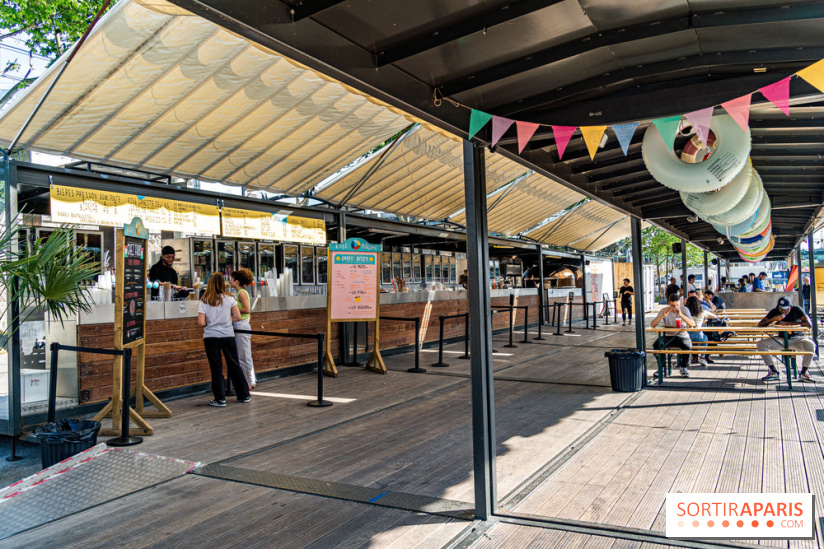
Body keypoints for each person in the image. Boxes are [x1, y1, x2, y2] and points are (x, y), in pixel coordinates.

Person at [198, 273, 251, 406]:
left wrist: (211, 322)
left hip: (211, 337)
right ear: (223, 284)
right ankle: (244, 395)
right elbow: (238, 317)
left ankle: (220, 399)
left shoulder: (204, 300)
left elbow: (201, 322)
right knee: (234, 364)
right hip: (227, 335)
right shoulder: (230, 298)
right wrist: (226, 320)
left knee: (216, 368)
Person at [756, 296, 816, 383]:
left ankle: (804, 372)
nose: (782, 311)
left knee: (811, 345)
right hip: (781, 339)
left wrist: (786, 323)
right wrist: (773, 319)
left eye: (785, 308)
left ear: (790, 306)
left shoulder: (796, 309)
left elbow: (808, 324)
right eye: (780, 308)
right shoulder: (775, 311)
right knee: (761, 344)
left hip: (798, 338)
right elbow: (760, 325)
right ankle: (773, 371)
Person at [650, 293, 695, 378]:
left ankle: (683, 367)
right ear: (669, 303)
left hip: (682, 335)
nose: (675, 307)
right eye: (673, 305)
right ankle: (662, 368)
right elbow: (653, 324)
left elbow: (692, 323)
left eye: (677, 305)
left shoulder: (684, 309)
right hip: (667, 335)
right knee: (657, 345)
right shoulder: (664, 310)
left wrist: (681, 314)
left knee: (688, 345)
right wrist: (663, 316)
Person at [231, 268, 256, 390]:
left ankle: (248, 383)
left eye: (231, 279)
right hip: (242, 325)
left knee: (243, 355)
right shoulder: (240, 292)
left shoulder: (241, 293)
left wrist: (232, 309)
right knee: (245, 354)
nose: (230, 281)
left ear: (236, 281)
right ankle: (250, 380)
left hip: (242, 326)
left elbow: (247, 310)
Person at [685, 295, 717, 366]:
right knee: (705, 339)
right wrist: (705, 318)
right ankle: (702, 357)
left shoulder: (685, 312)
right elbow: (715, 316)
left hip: (686, 335)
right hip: (698, 335)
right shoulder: (703, 312)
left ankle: (688, 358)